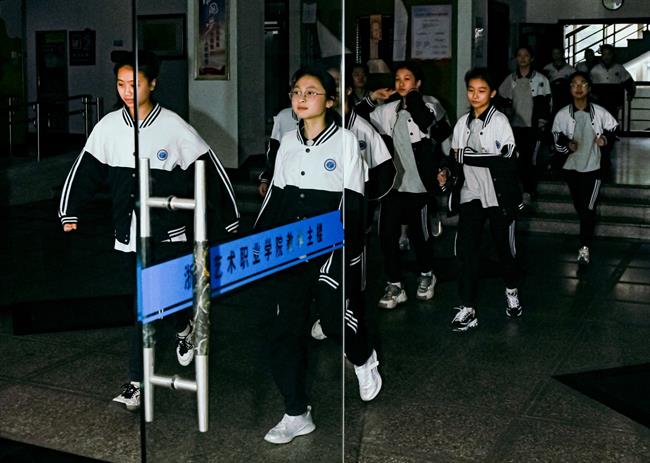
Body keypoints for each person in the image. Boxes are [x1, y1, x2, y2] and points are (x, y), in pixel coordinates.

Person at [58, 50, 239, 410]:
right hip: (130, 235)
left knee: (151, 302)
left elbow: (211, 170)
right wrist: (69, 211)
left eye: (135, 84)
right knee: (150, 302)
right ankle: (171, 343)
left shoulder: (173, 126)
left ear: (152, 84)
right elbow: (85, 170)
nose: (127, 91)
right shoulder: (108, 127)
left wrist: (229, 216)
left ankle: (143, 373)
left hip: (168, 234)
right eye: (121, 84)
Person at [255, 66, 382, 445]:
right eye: (296, 91)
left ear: (329, 101)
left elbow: (354, 202)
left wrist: (345, 251)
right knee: (285, 331)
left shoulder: (345, 141)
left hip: (331, 243)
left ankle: (363, 356)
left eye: (311, 92)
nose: (301, 98)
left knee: (333, 319)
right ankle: (296, 413)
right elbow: (276, 200)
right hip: (291, 248)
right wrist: (257, 246)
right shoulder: (287, 142)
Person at [356, 60, 452, 310]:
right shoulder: (388, 110)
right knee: (387, 235)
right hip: (393, 186)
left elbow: (434, 128)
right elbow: (354, 118)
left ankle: (426, 274)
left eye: (406, 79)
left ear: (418, 83)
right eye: (397, 79)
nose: (400, 83)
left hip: (420, 186)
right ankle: (394, 284)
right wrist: (372, 99)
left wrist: (414, 98)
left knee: (420, 236)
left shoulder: (431, 105)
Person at [447, 67, 524, 332]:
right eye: (471, 90)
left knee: (504, 250)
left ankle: (511, 291)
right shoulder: (462, 123)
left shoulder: (500, 122)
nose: (475, 96)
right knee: (467, 250)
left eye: (481, 91)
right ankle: (468, 307)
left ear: (492, 93)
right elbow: (454, 157)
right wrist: (447, 172)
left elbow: (508, 159)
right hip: (472, 193)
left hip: (499, 195)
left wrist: (467, 156)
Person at [551, 71, 618, 266]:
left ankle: (584, 247)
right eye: (574, 84)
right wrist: (567, 145)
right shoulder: (563, 114)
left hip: (594, 167)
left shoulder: (600, 112)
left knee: (589, 207)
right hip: (572, 167)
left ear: (589, 87)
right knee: (580, 206)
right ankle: (586, 232)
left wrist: (605, 139)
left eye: (583, 84)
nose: (579, 88)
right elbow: (556, 138)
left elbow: (614, 128)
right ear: (570, 89)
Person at [497, 46, 551, 208]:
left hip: (532, 126)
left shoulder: (541, 79)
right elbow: (501, 99)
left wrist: (542, 122)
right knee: (515, 159)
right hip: (514, 126)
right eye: (519, 55)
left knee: (529, 159)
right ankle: (516, 190)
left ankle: (528, 190)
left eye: (526, 55)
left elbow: (547, 103)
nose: (522, 58)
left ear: (531, 58)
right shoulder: (510, 79)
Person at [590, 44, 636, 122]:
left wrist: (630, 93)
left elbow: (628, 81)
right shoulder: (595, 69)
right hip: (599, 101)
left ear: (612, 55)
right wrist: (591, 96)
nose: (606, 57)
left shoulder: (619, 68)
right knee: (599, 121)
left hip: (614, 101)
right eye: (604, 54)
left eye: (609, 54)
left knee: (613, 121)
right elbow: (588, 84)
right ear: (601, 55)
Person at [543, 47, 576, 115]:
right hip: (553, 95)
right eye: (554, 54)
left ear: (562, 54)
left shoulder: (570, 69)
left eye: (558, 53)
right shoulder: (547, 68)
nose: (556, 56)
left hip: (565, 95)